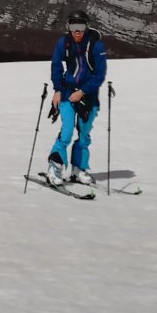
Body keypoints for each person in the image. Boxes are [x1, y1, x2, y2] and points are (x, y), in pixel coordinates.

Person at [45, 10, 107, 186]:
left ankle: (78, 169)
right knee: (66, 132)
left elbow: (99, 75)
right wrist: (57, 90)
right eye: (73, 26)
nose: (77, 31)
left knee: (84, 134)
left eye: (81, 26)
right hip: (66, 92)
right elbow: (56, 66)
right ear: (68, 27)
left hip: (88, 97)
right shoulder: (63, 43)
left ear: (87, 27)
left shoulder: (96, 46)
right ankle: (55, 166)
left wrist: (83, 92)